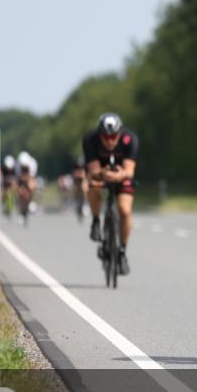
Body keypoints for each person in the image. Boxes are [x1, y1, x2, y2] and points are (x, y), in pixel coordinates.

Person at [83, 113, 138, 275]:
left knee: (125, 210)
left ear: (119, 133)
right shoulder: (90, 140)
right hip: (100, 173)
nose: (109, 141)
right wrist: (103, 174)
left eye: (113, 137)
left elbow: (129, 170)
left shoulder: (130, 139)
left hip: (122, 174)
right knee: (92, 187)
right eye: (105, 137)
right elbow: (93, 171)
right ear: (99, 134)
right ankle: (96, 220)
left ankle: (122, 252)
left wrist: (119, 175)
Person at [71, 154, 88, 221]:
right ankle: (75, 202)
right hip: (76, 180)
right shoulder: (75, 166)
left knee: (84, 187)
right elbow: (74, 175)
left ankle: (85, 203)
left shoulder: (86, 166)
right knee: (75, 189)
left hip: (84, 179)